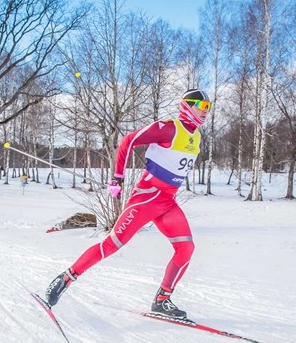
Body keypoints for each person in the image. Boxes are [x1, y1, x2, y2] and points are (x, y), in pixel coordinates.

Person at [45, 88, 212, 318]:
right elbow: (128, 140)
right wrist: (118, 177)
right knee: (111, 245)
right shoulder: (169, 128)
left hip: (166, 202)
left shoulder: (196, 136)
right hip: (146, 198)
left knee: (186, 248)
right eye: (202, 106)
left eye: (208, 107)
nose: (206, 112)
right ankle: (66, 278)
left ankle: (162, 299)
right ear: (187, 105)